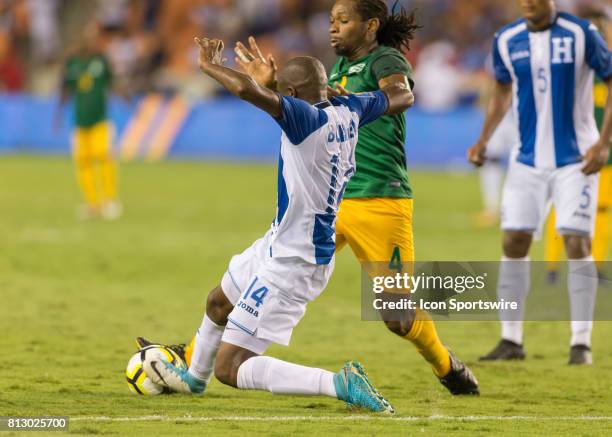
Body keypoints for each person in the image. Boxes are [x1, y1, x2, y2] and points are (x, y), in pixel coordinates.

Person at [140, 0, 479, 396]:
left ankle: (444, 364)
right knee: (254, 274)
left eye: (343, 20)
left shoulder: (384, 61)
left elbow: (399, 97)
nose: (332, 27)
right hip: (331, 206)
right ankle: (197, 361)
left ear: (370, 26)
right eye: (332, 19)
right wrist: (278, 89)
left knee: (396, 316)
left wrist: (229, 73)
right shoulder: (338, 79)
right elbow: (302, 109)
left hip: (379, 199)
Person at [145, 35, 414, 413]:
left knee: (232, 366)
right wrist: (275, 86)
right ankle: (194, 379)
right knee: (218, 302)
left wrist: (209, 67)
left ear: (290, 92)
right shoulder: (350, 108)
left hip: (296, 260)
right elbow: (399, 98)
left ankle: (338, 383)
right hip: (280, 241)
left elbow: (243, 90)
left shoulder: (305, 119)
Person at [468, 0, 612, 365]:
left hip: (575, 158)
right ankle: (511, 340)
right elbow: (501, 90)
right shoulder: (506, 39)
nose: (528, 2)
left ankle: (581, 343)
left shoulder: (583, 34)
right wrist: (485, 138)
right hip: (526, 160)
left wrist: (602, 142)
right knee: (513, 240)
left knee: (576, 241)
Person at [544, 9, 612, 285]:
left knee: (603, 210)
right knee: (564, 208)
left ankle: (594, 268)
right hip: (572, 153)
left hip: (606, 157)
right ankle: (550, 266)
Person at [57, 24, 121, 220]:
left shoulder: (102, 61)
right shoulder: (72, 63)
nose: (92, 42)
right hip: (80, 121)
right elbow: (65, 89)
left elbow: (114, 83)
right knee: (83, 163)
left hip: (99, 120)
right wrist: (58, 115)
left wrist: (131, 103)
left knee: (103, 157)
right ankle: (92, 203)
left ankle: (109, 200)